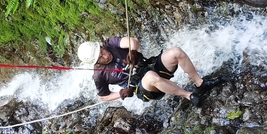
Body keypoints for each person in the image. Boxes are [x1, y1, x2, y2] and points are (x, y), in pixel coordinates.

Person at [77, 36, 219, 107]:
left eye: (102, 51)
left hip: (149, 65)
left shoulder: (111, 43)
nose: (106, 55)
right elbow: (103, 97)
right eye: (101, 58)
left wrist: (132, 51)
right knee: (151, 77)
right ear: (96, 62)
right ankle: (188, 95)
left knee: (176, 52)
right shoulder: (98, 75)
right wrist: (121, 94)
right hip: (141, 86)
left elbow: (133, 40)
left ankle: (200, 84)